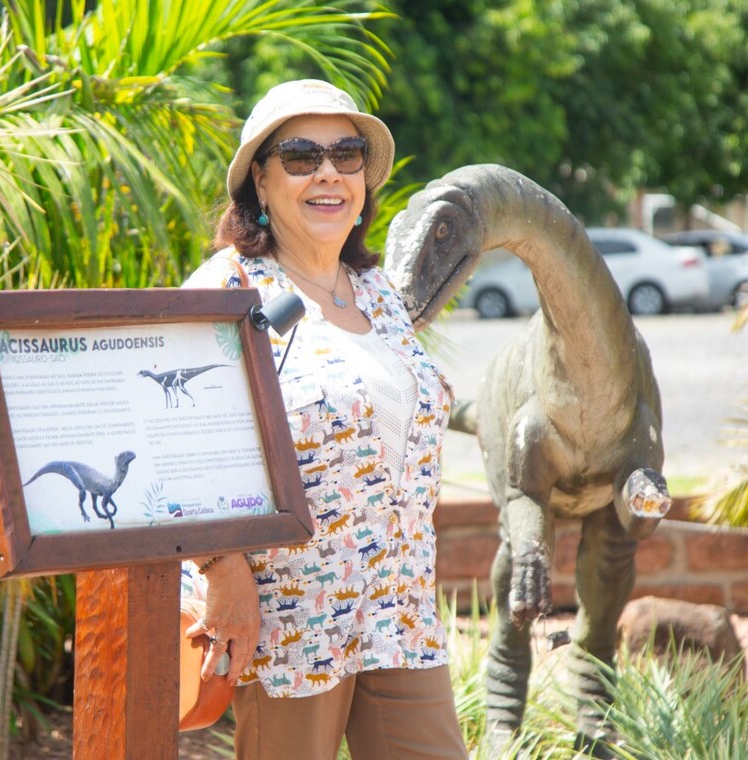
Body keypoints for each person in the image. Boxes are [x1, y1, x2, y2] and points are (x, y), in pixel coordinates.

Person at [181, 79, 466, 759]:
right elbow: (180, 446)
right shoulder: (226, 288)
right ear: (260, 177)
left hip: (400, 608)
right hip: (289, 617)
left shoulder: (380, 294)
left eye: (346, 154)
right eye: (302, 156)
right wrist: (221, 571)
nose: (329, 173)